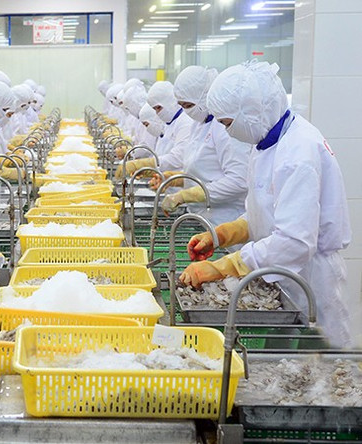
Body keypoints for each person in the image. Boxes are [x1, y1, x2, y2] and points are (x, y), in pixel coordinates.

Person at [181, 61, 353, 348]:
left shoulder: (298, 153)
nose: (226, 132)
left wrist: (225, 266)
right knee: (287, 367)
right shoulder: (268, 143)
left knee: (322, 372)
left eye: (227, 123)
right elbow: (267, 212)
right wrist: (225, 233)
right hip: (286, 277)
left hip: (311, 282)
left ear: (250, 113)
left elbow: (295, 241)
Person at [148, 65, 250, 227]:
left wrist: (187, 195)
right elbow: (204, 172)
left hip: (224, 219)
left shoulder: (224, 128)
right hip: (202, 216)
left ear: (204, 97)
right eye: (181, 106)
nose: (186, 111)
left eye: (188, 105)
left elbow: (239, 181)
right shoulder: (199, 124)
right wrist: (174, 179)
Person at [114, 80, 191, 181]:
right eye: (155, 109)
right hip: (163, 182)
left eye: (158, 108)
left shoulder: (185, 122)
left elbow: (177, 158)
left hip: (175, 184)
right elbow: (160, 153)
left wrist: (144, 164)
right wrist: (149, 170)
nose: (157, 113)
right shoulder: (168, 123)